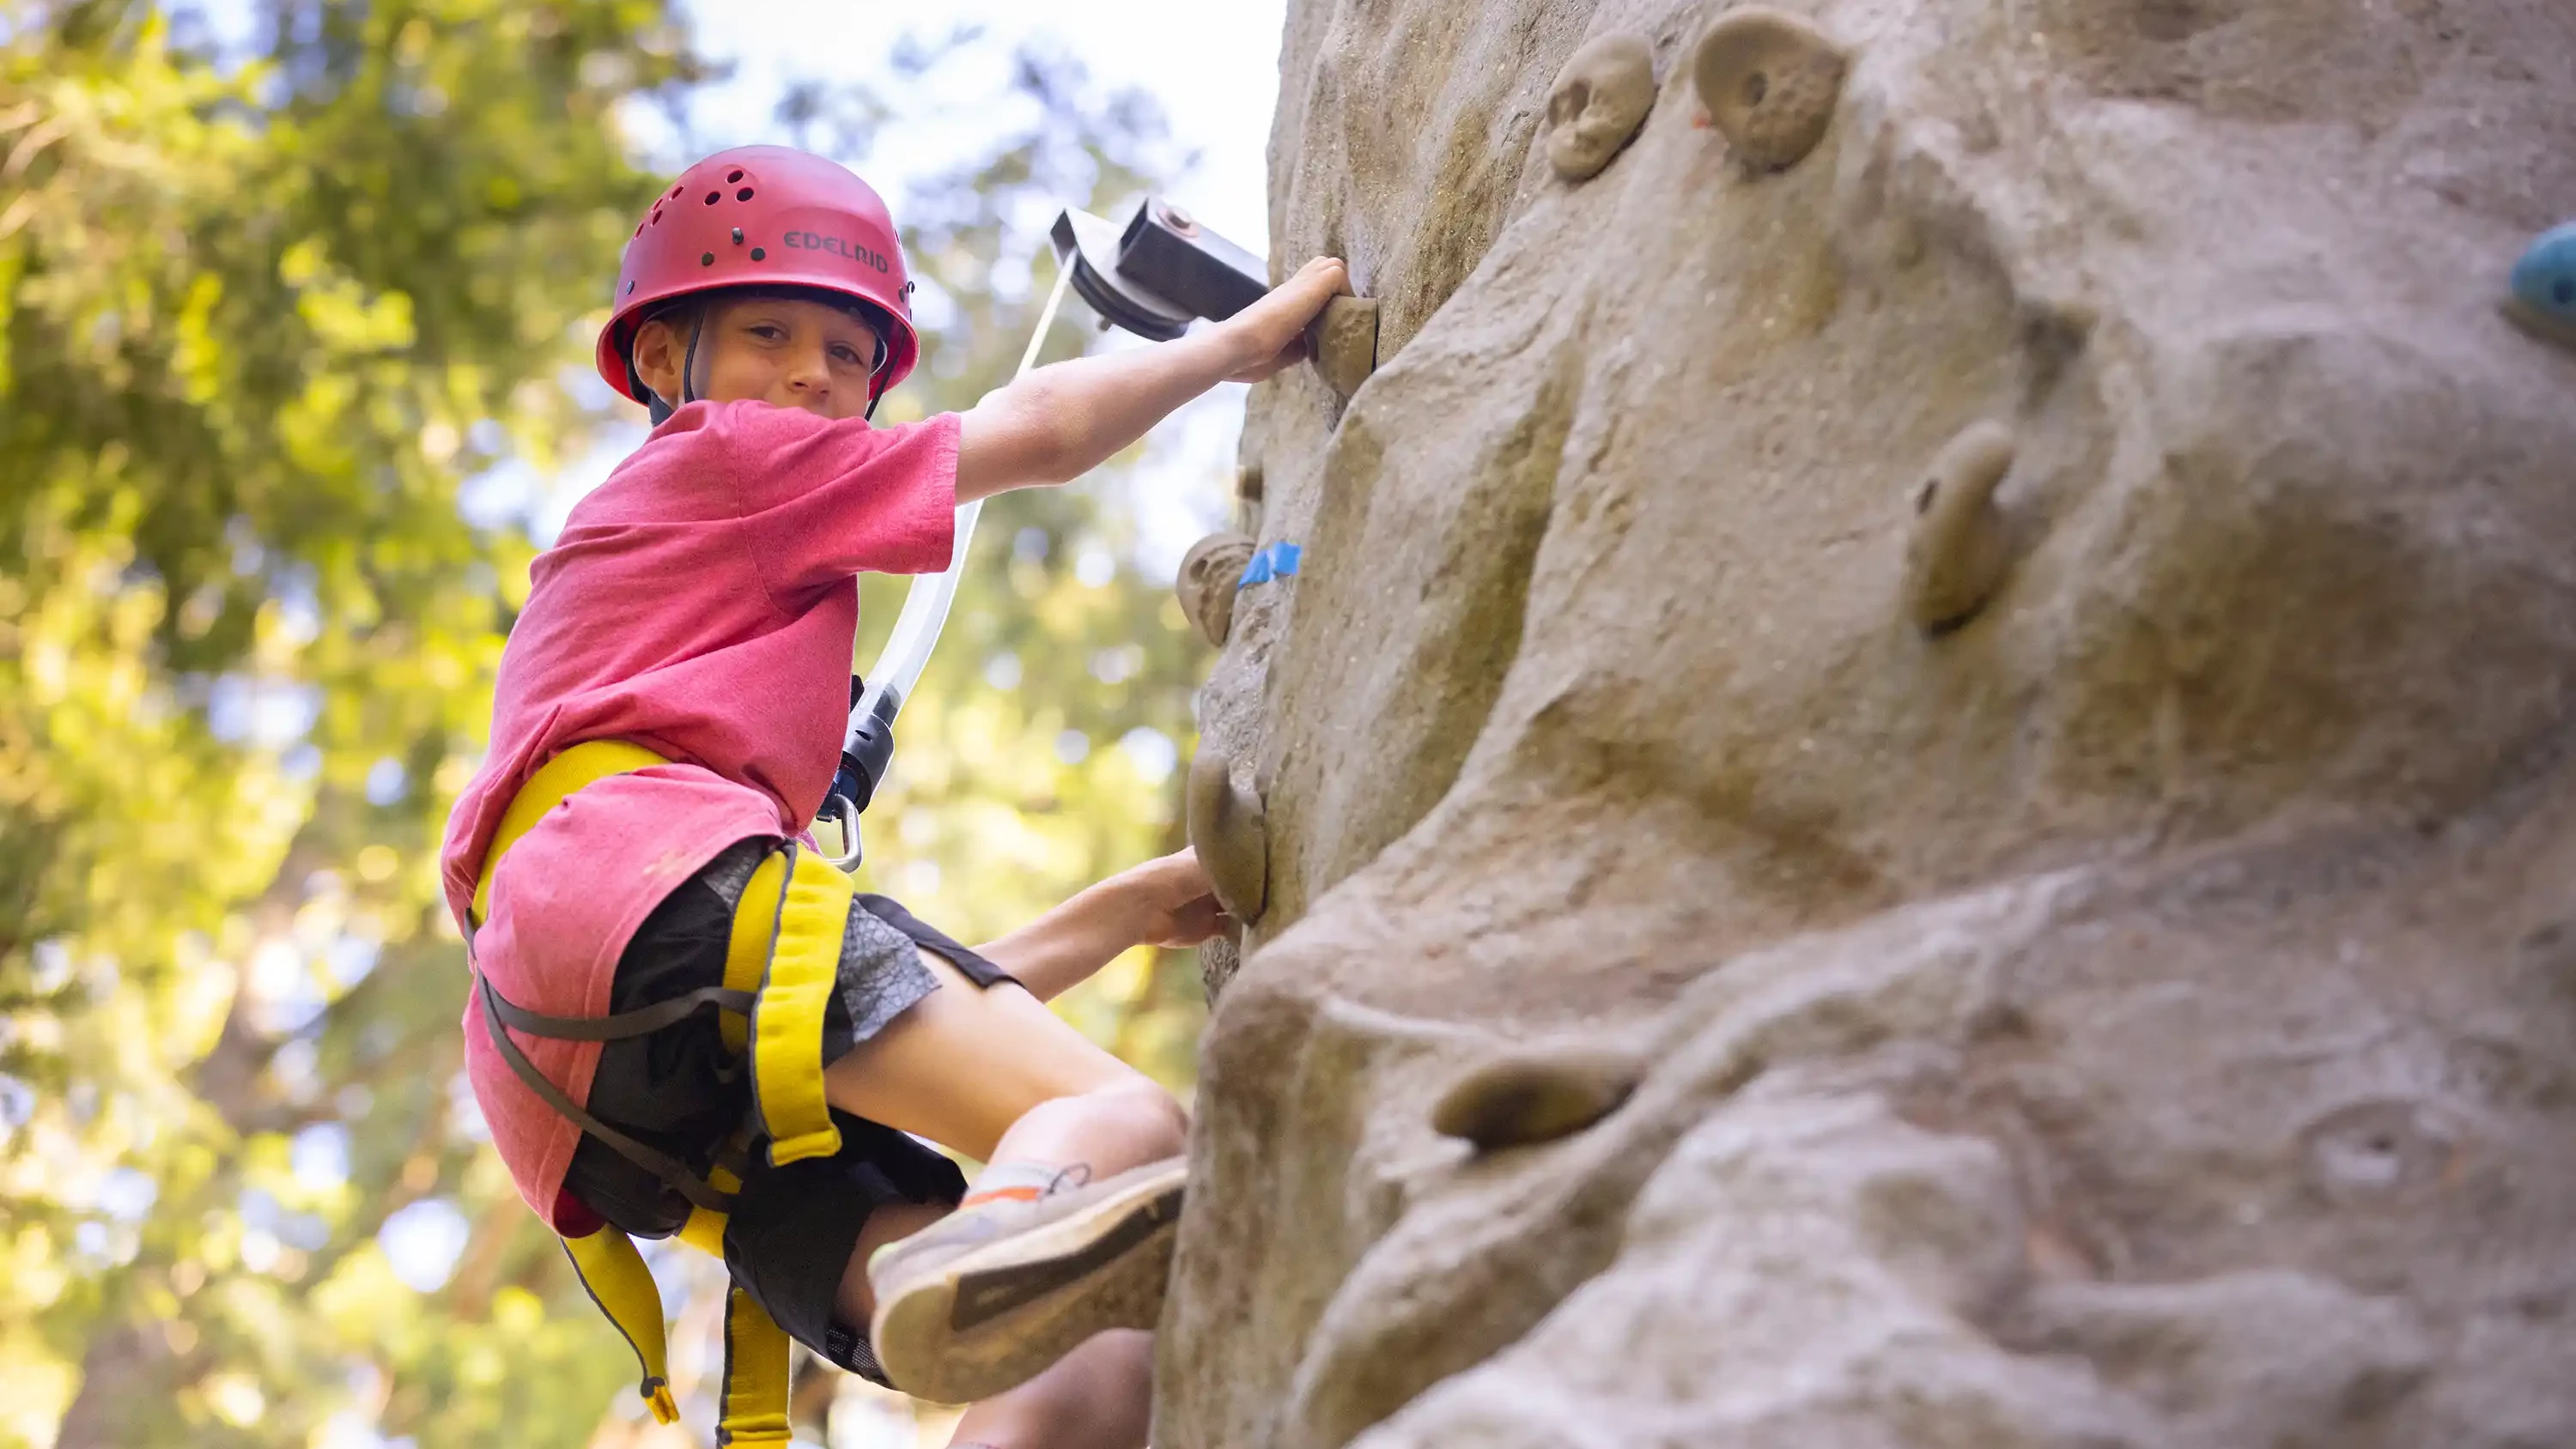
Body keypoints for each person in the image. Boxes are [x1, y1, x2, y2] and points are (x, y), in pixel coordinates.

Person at [436, 144, 1346, 1448]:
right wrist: (1234, 345)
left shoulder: (658, 613)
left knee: (1102, 1336)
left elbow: (894, 1008)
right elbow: (1033, 436)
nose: (814, 374)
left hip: (582, 1073)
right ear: (659, 363)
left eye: (852, 357)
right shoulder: (734, 461)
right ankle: (964, 1256)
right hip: (657, 897)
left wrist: (1129, 913)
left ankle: (977, 1311)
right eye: (767, 332)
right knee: (1132, 1127)